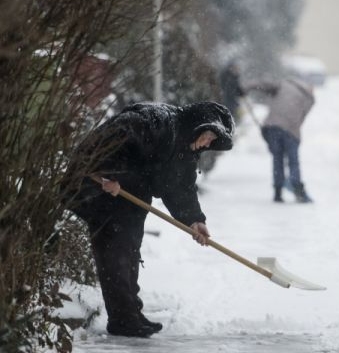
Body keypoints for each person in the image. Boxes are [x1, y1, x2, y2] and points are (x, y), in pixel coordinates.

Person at [62, 101, 234, 338]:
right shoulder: (157, 120)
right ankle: (123, 320)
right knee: (116, 252)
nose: (207, 143)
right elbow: (111, 138)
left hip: (130, 193)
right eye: (207, 136)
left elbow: (181, 188)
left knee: (129, 250)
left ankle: (130, 313)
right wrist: (108, 174)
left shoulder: (185, 150)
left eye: (212, 141)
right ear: (196, 126)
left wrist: (195, 220)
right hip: (97, 185)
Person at [250, 77, 315, 203]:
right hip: (290, 131)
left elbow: (264, 84)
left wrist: (245, 87)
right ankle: (297, 187)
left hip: (272, 127)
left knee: (277, 158)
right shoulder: (309, 98)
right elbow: (301, 117)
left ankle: (278, 192)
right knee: (293, 161)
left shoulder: (284, 84)